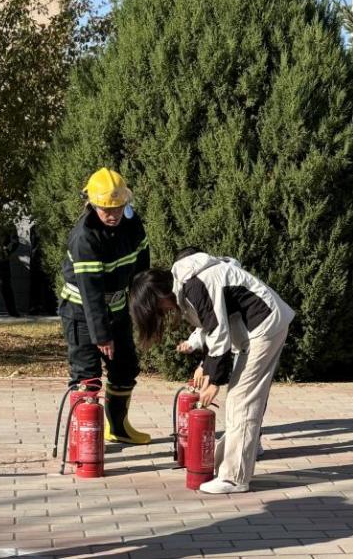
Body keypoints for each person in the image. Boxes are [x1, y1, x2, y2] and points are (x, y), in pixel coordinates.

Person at [129, 250, 295, 494]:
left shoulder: (194, 285)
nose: (163, 313)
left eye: (157, 308)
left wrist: (215, 381)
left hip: (264, 327)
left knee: (241, 401)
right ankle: (225, 461)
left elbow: (217, 331)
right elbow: (213, 328)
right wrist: (206, 369)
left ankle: (234, 478)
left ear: (159, 295)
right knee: (241, 400)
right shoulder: (188, 283)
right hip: (259, 328)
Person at [59, 168, 151, 444]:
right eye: (105, 209)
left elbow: (141, 269)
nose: (113, 214)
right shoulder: (85, 237)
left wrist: (144, 308)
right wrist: (101, 335)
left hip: (117, 308)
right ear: (92, 204)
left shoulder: (133, 224)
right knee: (87, 376)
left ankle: (118, 428)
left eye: (118, 207)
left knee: (125, 367)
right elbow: (90, 293)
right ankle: (83, 442)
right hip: (81, 312)